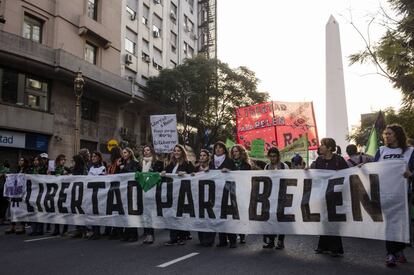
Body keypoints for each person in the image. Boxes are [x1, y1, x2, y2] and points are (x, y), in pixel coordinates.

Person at [373, 124, 414, 267]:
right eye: (385, 134)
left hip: (403, 194)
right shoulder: (381, 151)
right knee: (390, 223)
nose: (386, 136)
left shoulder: (410, 151)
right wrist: (363, 169)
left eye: (389, 133)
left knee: (401, 223)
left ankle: (399, 250)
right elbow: (374, 168)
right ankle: (391, 253)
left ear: (397, 134)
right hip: (385, 193)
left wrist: (411, 174)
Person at [312, 138, 348, 257]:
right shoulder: (318, 160)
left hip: (335, 196)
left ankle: (335, 248)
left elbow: (349, 174)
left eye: (322, 145)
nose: (320, 147)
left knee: (333, 220)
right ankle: (323, 246)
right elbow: (314, 173)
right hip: (322, 195)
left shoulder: (339, 160)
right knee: (324, 220)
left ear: (329, 148)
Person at [163, 144, 195, 246]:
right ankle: (173, 238)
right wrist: (162, 173)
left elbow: (194, 175)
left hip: (183, 194)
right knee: (172, 215)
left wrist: (186, 173)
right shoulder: (170, 164)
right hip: (172, 194)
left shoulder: (188, 163)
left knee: (181, 215)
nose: (176, 152)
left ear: (182, 152)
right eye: (175, 151)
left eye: (178, 151)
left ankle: (182, 236)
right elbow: (165, 175)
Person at [210, 141, 237, 248]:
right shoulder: (212, 162)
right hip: (216, 193)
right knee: (219, 216)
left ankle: (233, 240)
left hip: (227, 192)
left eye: (220, 148)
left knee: (229, 217)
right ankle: (222, 240)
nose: (218, 149)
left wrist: (229, 171)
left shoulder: (229, 161)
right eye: (216, 148)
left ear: (224, 150)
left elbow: (236, 175)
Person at [262, 147, 289, 250]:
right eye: (271, 156)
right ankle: (271, 241)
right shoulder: (267, 167)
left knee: (281, 218)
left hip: (282, 196)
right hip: (270, 197)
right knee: (271, 218)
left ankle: (281, 241)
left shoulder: (284, 166)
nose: (273, 158)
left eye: (275, 156)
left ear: (278, 156)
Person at [141, 145, 164, 244]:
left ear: (152, 151)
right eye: (144, 150)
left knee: (151, 213)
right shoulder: (141, 163)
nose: (146, 152)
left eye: (148, 150)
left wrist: (158, 174)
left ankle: (151, 235)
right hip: (143, 191)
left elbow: (160, 176)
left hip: (153, 191)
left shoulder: (158, 163)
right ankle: (147, 234)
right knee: (145, 213)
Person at [120, 147, 142, 242]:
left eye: (125, 153)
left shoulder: (135, 163)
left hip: (133, 190)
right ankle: (127, 234)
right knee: (126, 213)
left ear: (129, 153)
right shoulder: (123, 164)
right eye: (123, 153)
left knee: (132, 213)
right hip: (125, 190)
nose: (123, 154)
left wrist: (123, 169)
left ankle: (134, 234)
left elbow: (135, 174)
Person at [230, 144, 251, 244]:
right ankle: (233, 236)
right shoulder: (229, 164)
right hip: (231, 191)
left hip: (242, 192)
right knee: (232, 214)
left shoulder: (246, 165)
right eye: (233, 151)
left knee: (241, 214)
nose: (235, 153)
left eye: (236, 151)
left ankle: (242, 234)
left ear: (241, 152)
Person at [5, 157, 30, 235]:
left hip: (23, 193)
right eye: (19, 160)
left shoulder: (27, 170)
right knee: (13, 209)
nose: (20, 161)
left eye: (22, 160)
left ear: (25, 162)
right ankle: (13, 226)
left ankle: (22, 227)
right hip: (15, 193)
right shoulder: (17, 170)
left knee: (22, 209)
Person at [87, 151, 107, 240]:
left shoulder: (103, 168)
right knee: (92, 212)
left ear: (99, 158)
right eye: (92, 156)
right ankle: (94, 231)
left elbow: (101, 179)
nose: (93, 158)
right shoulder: (91, 168)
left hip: (99, 193)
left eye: (95, 156)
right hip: (91, 192)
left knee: (97, 212)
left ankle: (97, 232)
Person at [69, 154, 88, 238]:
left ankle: (84, 230)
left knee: (80, 212)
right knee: (76, 212)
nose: (72, 162)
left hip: (81, 194)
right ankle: (79, 230)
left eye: (73, 161)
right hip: (75, 193)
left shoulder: (83, 170)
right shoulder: (75, 170)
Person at [106, 146, 123, 239]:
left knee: (118, 209)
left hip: (118, 188)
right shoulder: (112, 163)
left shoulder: (119, 162)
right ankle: (115, 229)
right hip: (112, 188)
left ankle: (118, 230)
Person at [28, 155, 47, 236]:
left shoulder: (44, 169)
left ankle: (40, 230)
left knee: (40, 211)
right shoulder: (31, 169)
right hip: (32, 192)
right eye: (34, 160)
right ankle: (34, 229)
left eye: (37, 160)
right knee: (33, 211)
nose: (35, 161)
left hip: (41, 192)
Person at [50, 154, 69, 236]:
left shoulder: (66, 169)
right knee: (56, 211)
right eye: (62, 160)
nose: (63, 161)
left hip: (64, 193)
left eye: (64, 160)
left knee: (64, 211)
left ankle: (65, 230)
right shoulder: (54, 169)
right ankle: (56, 229)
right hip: (56, 193)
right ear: (58, 161)